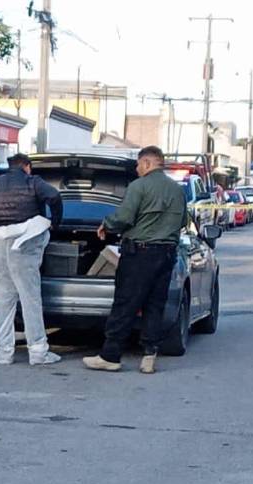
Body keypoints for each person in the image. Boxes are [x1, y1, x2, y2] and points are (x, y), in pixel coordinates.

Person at [84, 146, 189, 375]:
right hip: (167, 253)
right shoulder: (177, 190)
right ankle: (149, 356)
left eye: (139, 164)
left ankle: (110, 356)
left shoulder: (138, 186)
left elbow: (124, 217)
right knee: (154, 304)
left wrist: (106, 225)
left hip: (139, 253)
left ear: (148, 163)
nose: (137, 168)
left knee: (126, 304)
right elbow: (183, 221)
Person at [0, 152, 63, 366]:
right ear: (26, 167)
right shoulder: (33, 181)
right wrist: (55, 222)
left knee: (2, 300)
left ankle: (5, 353)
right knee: (30, 298)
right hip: (24, 244)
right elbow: (54, 197)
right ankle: (38, 352)